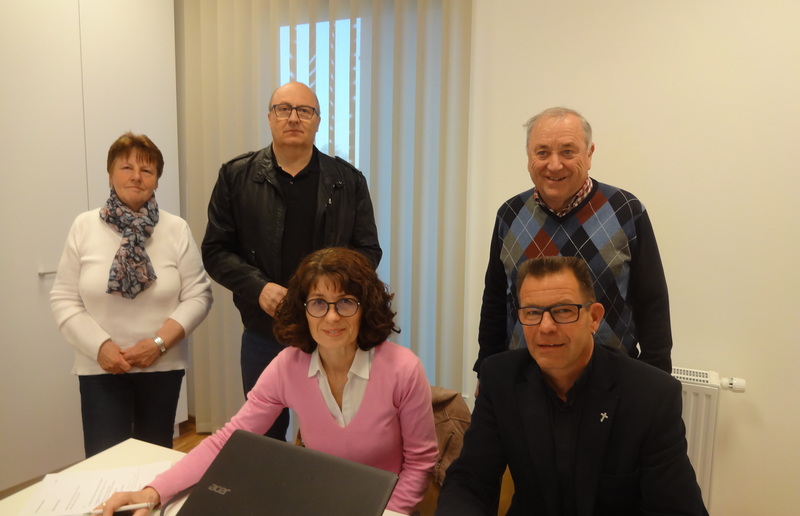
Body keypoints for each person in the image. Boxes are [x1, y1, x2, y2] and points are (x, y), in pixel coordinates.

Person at [99, 247, 437, 516]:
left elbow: (420, 462)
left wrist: (392, 513)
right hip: (320, 504)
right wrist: (154, 492)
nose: (332, 316)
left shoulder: (402, 369)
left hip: (387, 508)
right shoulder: (288, 366)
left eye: (346, 302)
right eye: (318, 303)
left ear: (366, 308)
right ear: (303, 309)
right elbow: (230, 440)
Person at [436, 256, 707, 516]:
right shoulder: (500, 379)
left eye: (563, 311)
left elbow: (676, 509)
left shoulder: (651, 395)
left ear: (594, 318)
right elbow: (471, 480)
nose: (546, 327)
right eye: (532, 312)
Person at [201, 81, 382, 440]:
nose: (294, 118)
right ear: (269, 117)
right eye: (283, 109)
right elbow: (216, 250)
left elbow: (368, 251)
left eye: (305, 111)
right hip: (264, 330)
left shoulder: (348, 181)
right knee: (264, 435)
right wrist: (259, 288)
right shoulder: (236, 177)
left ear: (318, 121)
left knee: (336, 432)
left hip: (332, 327)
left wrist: (330, 292)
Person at [477, 107, 672, 379]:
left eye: (568, 152)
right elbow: (496, 301)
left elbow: (652, 302)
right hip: (524, 380)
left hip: (611, 381)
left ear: (589, 154)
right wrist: (486, 370)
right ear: (529, 156)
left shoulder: (626, 211)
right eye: (542, 152)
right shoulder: (509, 215)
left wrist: (657, 377)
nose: (554, 165)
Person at [50, 132, 213, 457]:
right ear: (110, 174)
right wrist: (101, 347)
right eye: (126, 168)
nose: (136, 176)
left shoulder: (176, 228)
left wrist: (158, 344)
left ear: (156, 180)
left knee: (155, 459)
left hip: (161, 365)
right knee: (105, 461)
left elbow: (199, 295)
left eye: (146, 170)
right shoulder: (84, 226)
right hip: (100, 366)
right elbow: (63, 298)